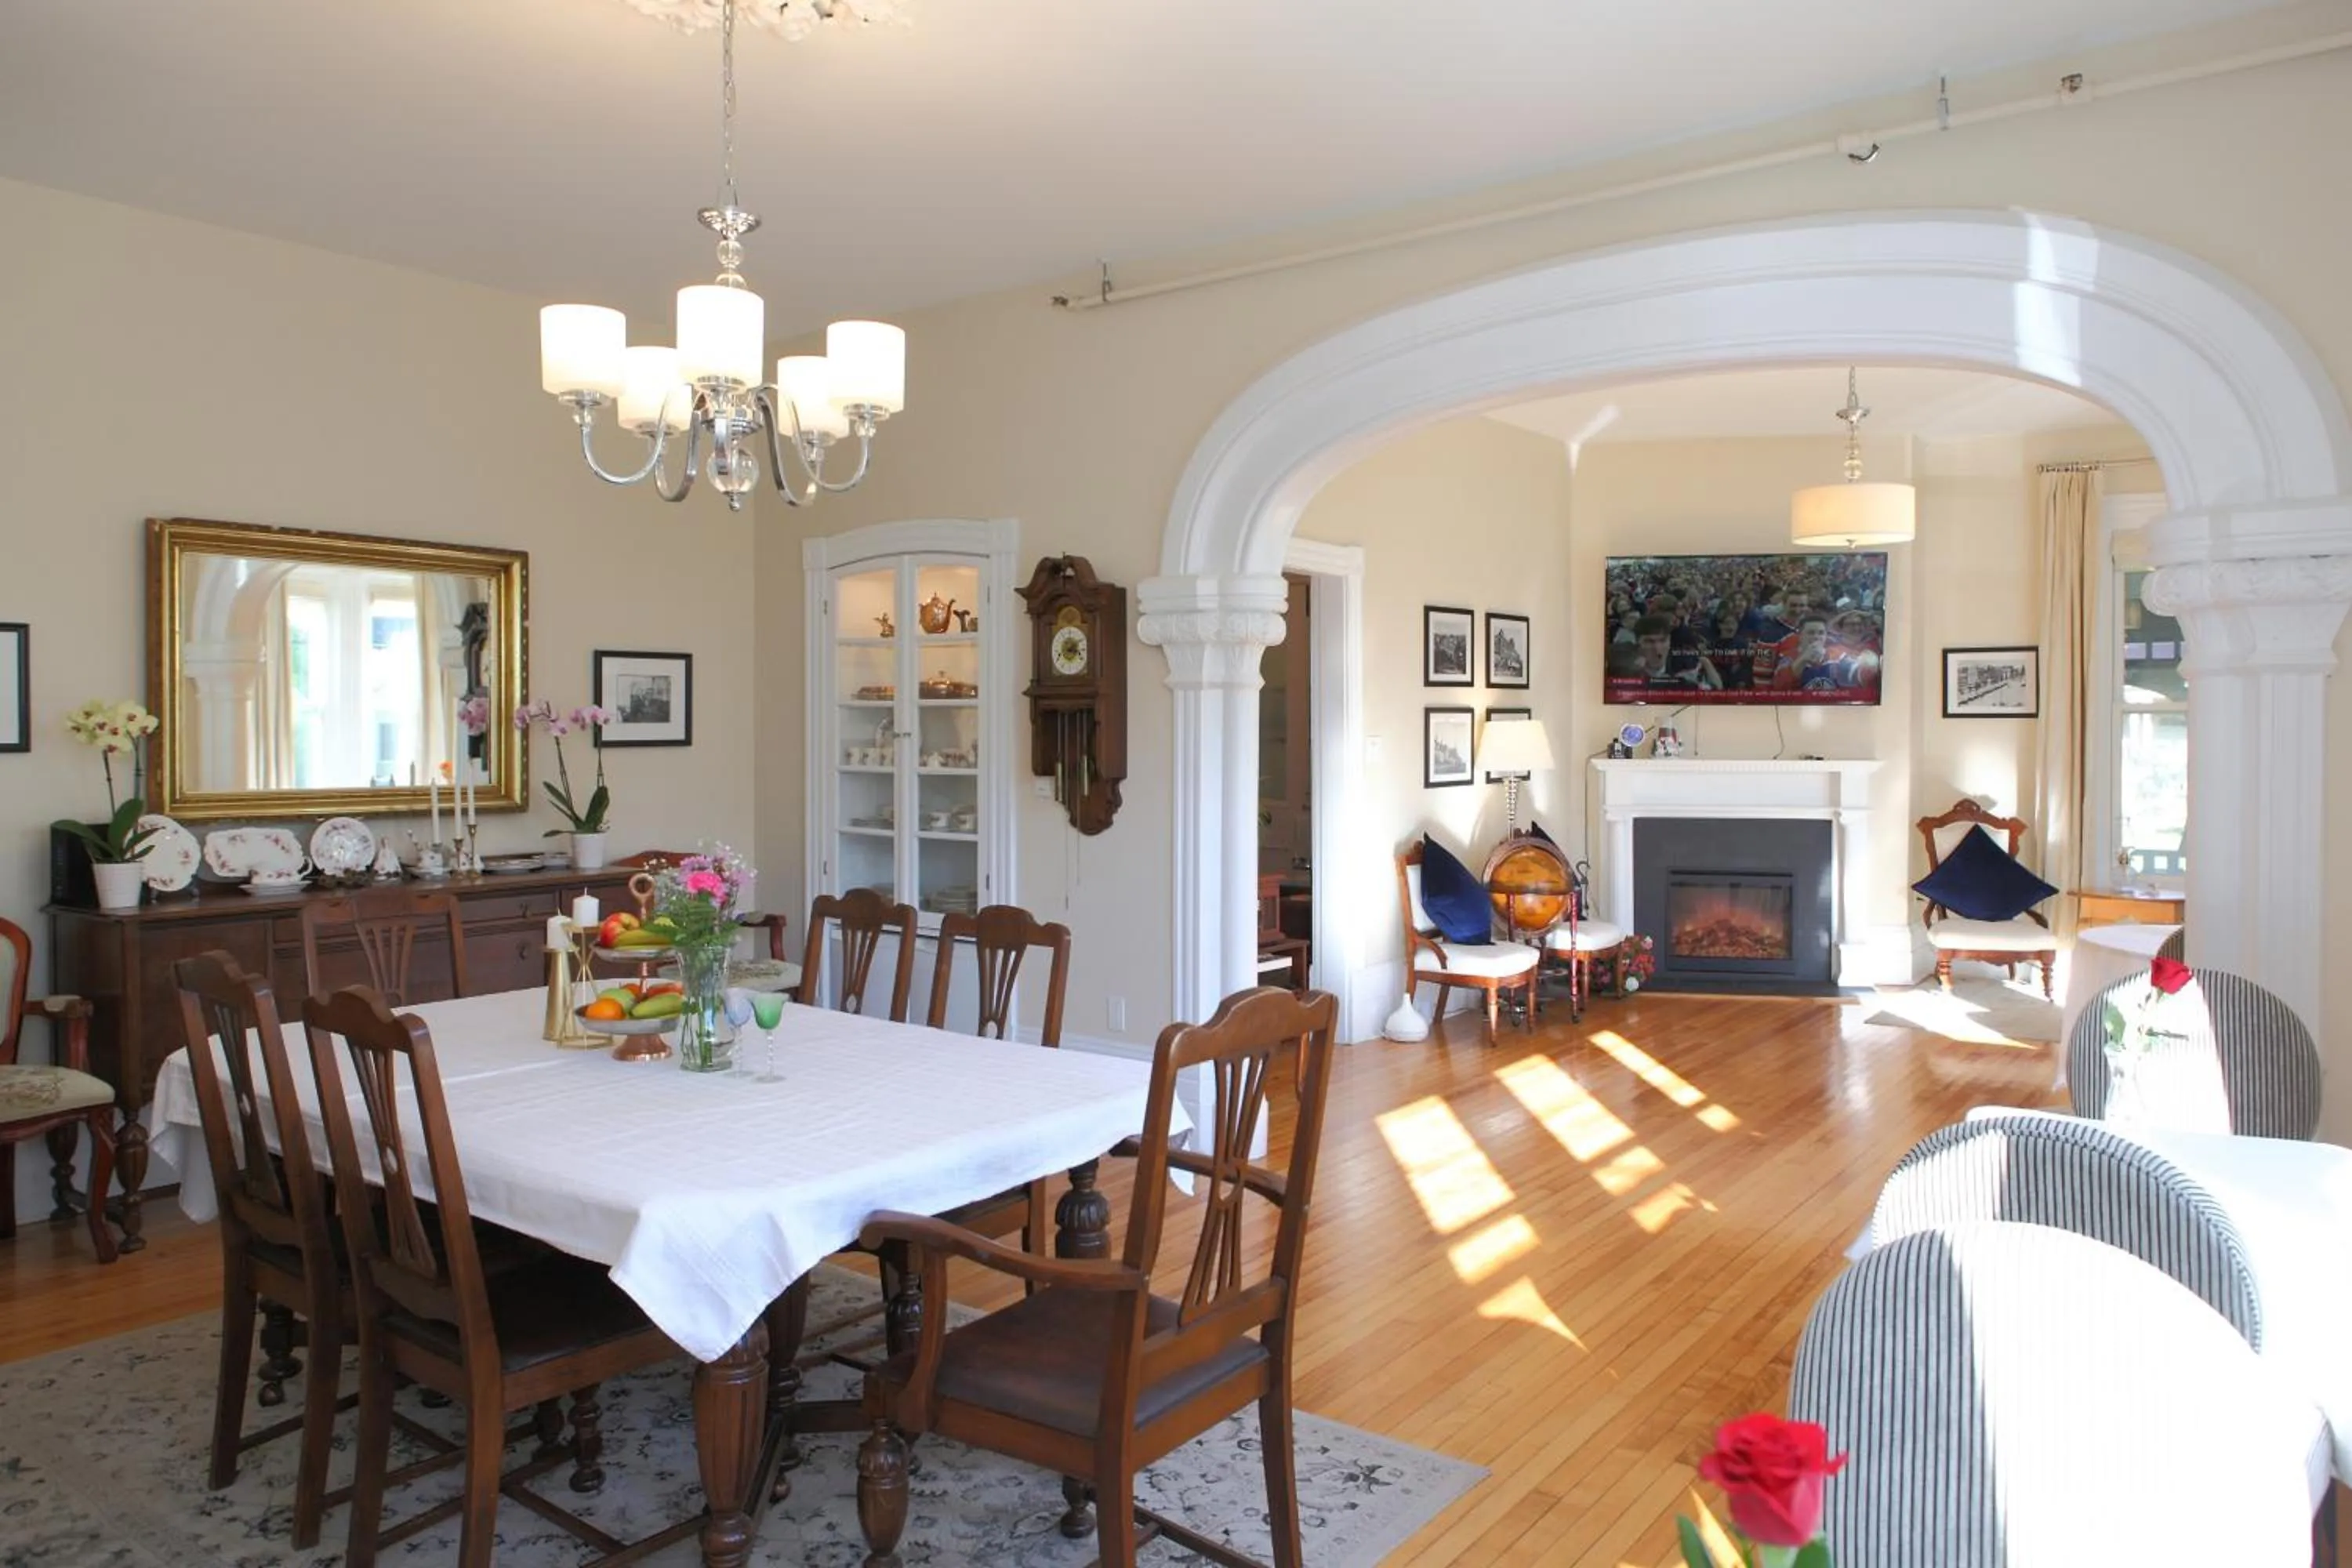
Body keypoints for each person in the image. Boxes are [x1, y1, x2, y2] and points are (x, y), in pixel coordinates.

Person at [1770, 613, 1874, 693]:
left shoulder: (1837, 655)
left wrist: (1869, 663)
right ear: (1800, 635)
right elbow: (1779, 688)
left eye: (1821, 633)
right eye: (1811, 633)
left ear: (1826, 636)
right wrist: (1803, 659)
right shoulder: (1788, 656)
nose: (1816, 637)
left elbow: (1859, 680)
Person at [1632, 614, 1722, 691]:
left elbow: (1716, 692)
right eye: (1649, 642)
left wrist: (1706, 663)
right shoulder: (1626, 669)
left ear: (1670, 641)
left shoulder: (1687, 667)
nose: (1657, 648)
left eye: (1663, 641)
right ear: (1637, 643)